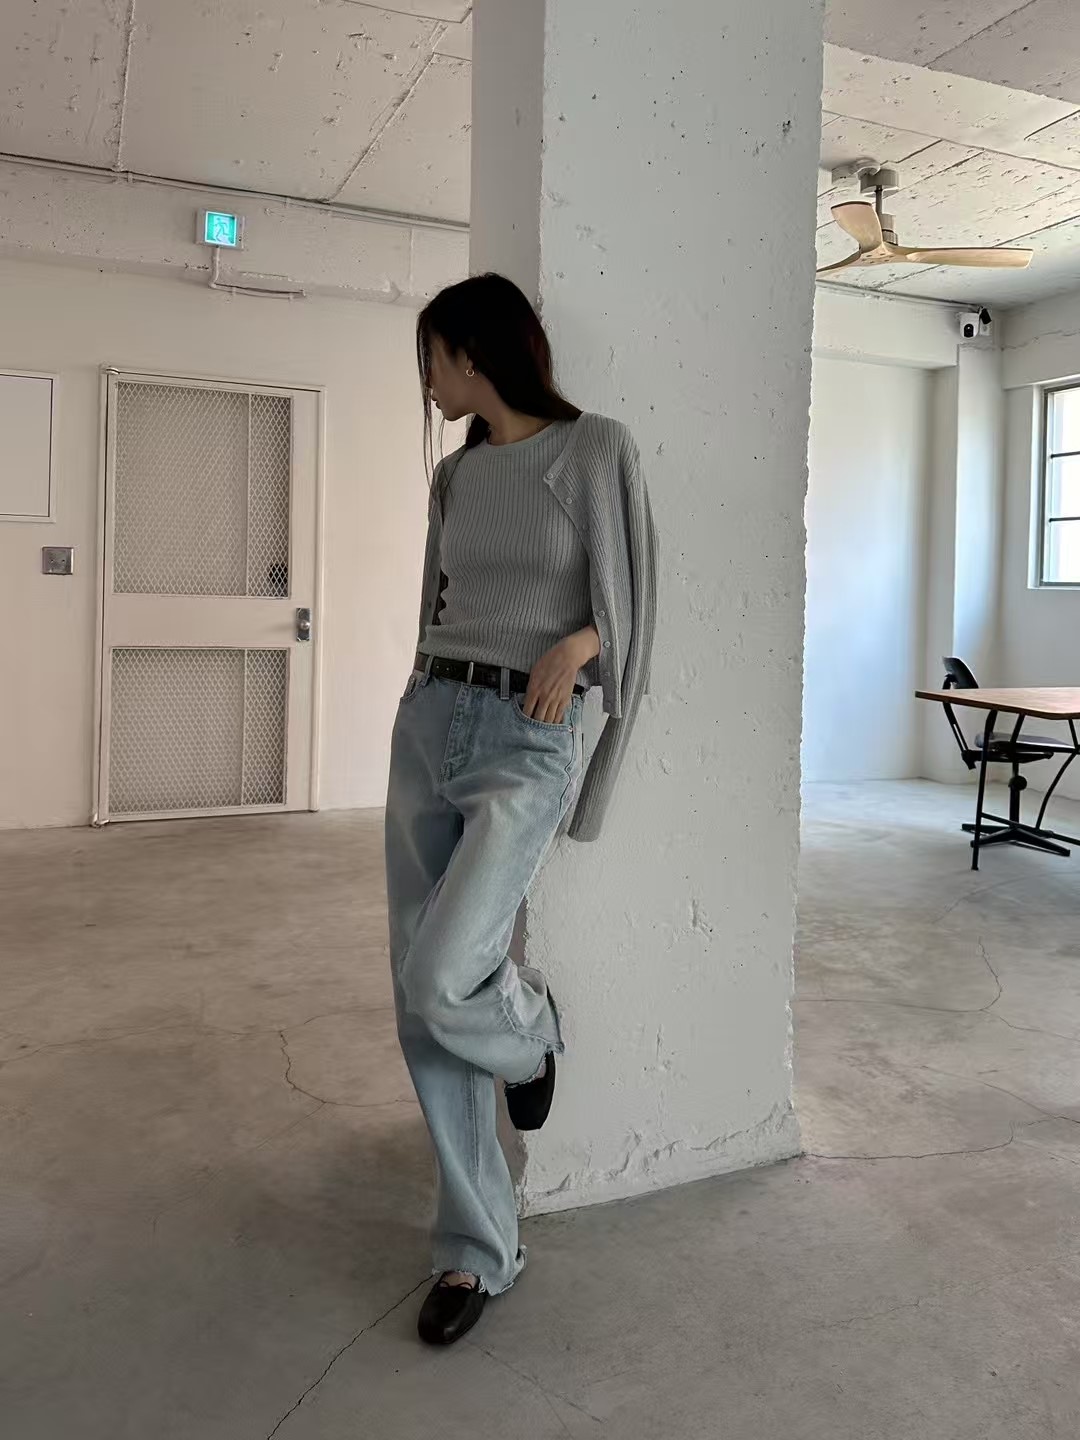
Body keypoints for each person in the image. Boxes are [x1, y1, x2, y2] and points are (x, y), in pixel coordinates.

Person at [385, 272, 658, 1346]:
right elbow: (437, 604)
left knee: (441, 975)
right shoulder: (456, 477)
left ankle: (531, 1032)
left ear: (471, 353)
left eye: (430, 357)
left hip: (524, 736)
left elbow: (632, 600)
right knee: (419, 1002)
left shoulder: (593, 451)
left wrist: (581, 644)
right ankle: (473, 1249)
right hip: (430, 720)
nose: (426, 379)